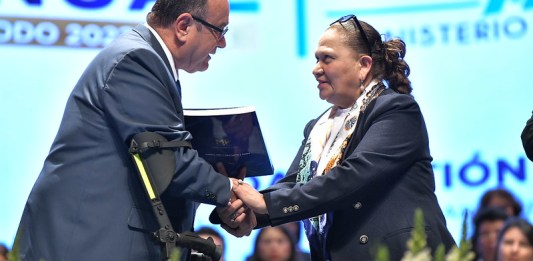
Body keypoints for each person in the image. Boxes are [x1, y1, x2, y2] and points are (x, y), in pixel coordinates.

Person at [14, 0, 254, 260]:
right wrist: (232, 191)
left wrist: (221, 194)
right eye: (220, 31)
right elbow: (166, 163)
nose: (222, 43)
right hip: (86, 243)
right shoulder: (137, 60)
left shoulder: (146, 59)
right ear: (184, 26)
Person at [217, 14, 456, 260]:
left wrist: (265, 203)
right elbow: (293, 185)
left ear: (363, 65)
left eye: (327, 58)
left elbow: (352, 176)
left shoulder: (396, 110)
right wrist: (247, 212)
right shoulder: (318, 127)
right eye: (316, 59)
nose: (315, 69)